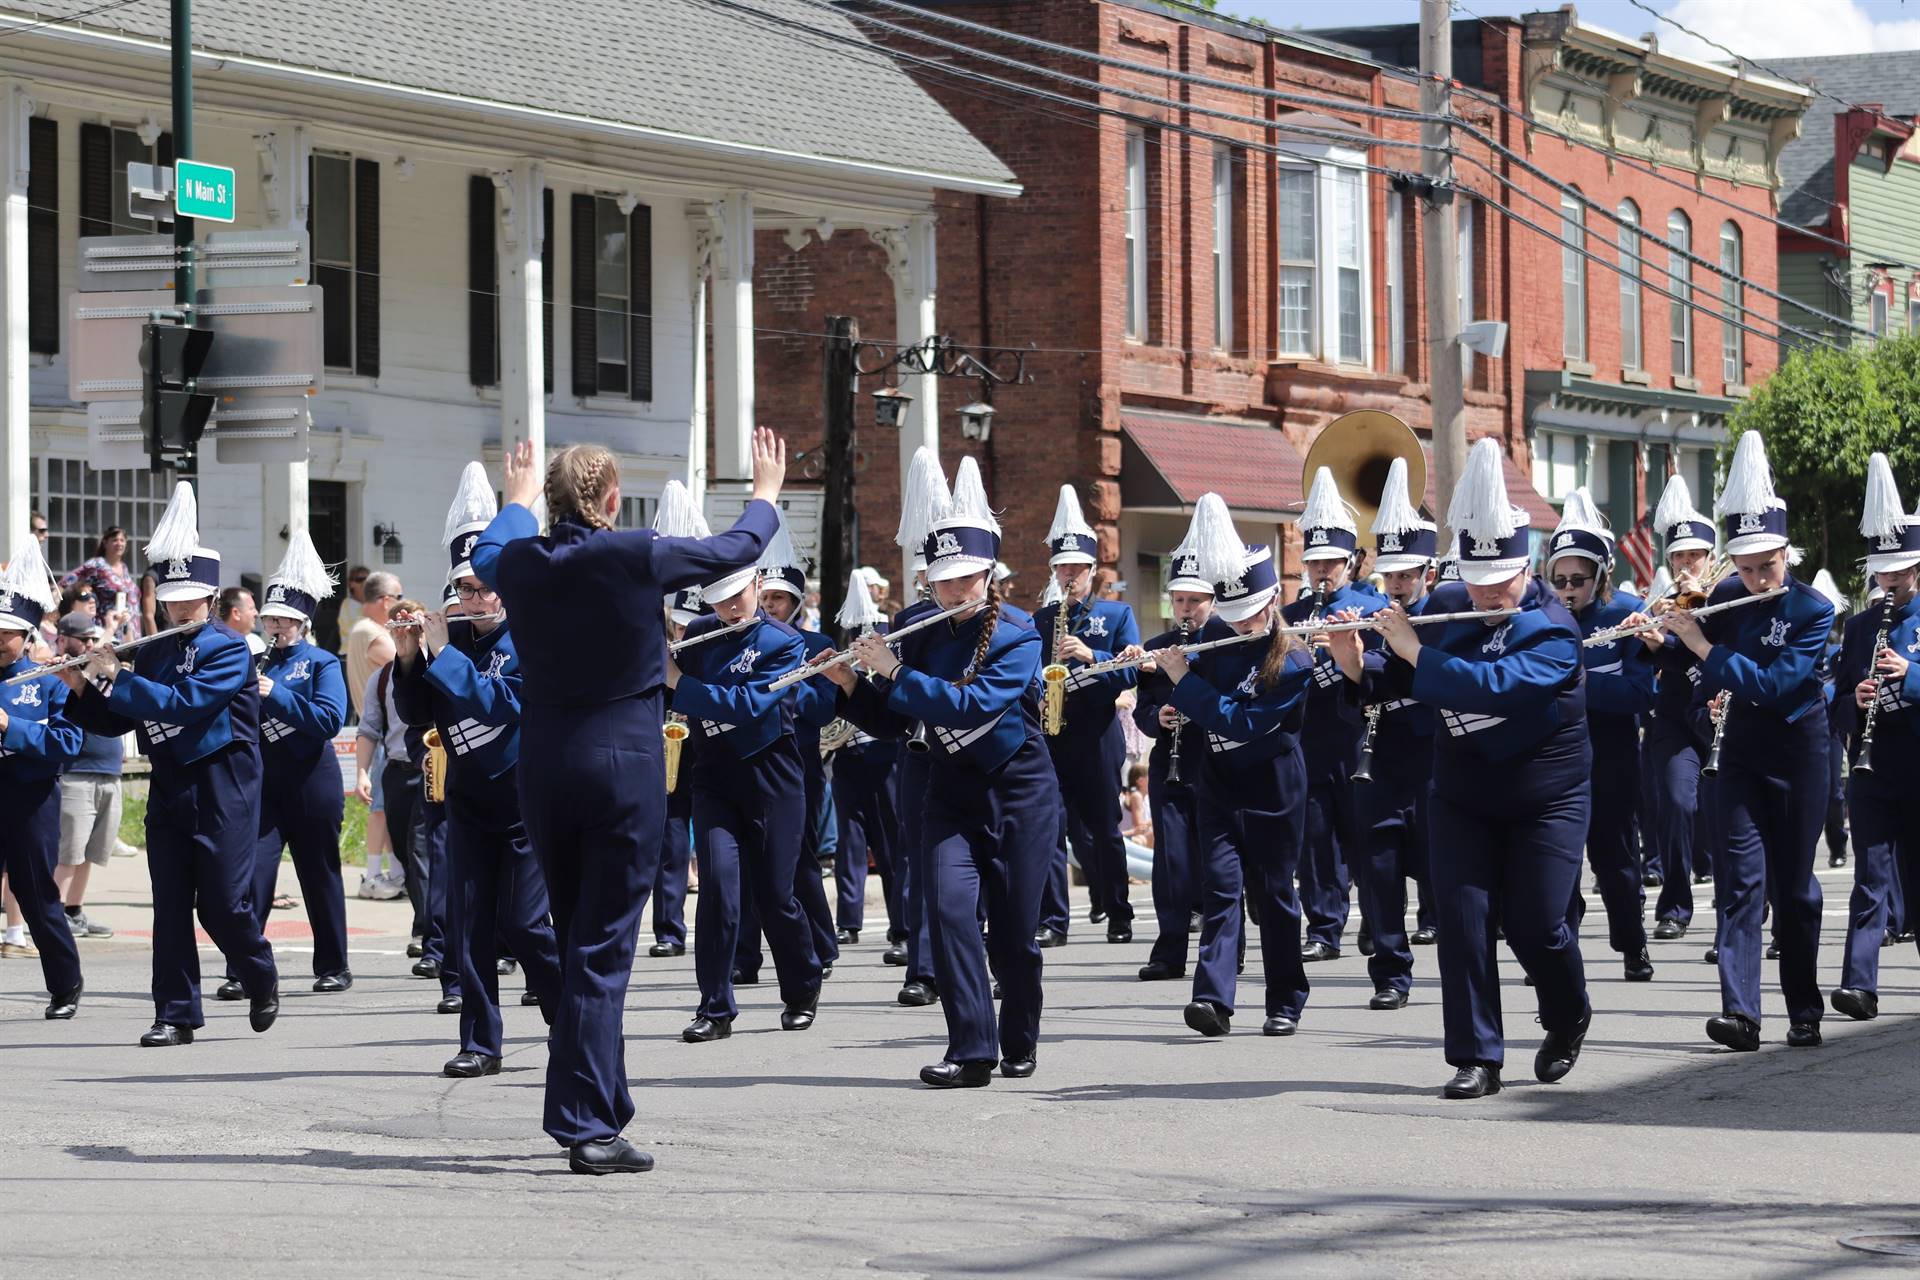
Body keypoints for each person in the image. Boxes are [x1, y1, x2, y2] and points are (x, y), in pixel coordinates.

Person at [469, 432, 785, 1175]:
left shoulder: (520, 560)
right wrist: (767, 488)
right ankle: (582, 1122)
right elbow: (736, 547)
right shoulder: (635, 550)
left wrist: (514, 501)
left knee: (582, 936)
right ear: (613, 500)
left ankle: (601, 1108)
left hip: (545, 765)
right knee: (602, 949)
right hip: (622, 765)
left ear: (551, 501)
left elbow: (484, 557)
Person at [1340, 438, 1593, 1100]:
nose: (1484, 594)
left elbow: (1499, 688)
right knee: (1463, 918)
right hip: (1463, 794)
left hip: (1547, 796)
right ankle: (1476, 1055)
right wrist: (1349, 649)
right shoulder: (1447, 607)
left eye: (1499, 581)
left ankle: (1568, 1011)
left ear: (1526, 566)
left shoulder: (1553, 628)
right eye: (1474, 581)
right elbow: (1385, 677)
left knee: (1539, 923)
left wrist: (1413, 653)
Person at [824, 450, 1051, 1087]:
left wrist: (894, 671)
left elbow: (971, 704)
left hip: (1019, 792)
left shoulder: (1018, 633)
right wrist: (849, 684)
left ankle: (1020, 1034)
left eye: (967, 579)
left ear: (989, 574)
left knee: (1013, 937)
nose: (955, 591)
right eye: (944, 580)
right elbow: (899, 722)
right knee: (950, 915)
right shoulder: (917, 631)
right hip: (949, 792)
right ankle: (972, 1049)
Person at [59, 482, 280, 1046]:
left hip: (224, 785)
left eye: (191, 599)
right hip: (172, 787)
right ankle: (176, 1013)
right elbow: (118, 720)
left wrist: (119, 678)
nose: (180, 608)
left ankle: (258, 969)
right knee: (172, 904)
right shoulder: (153, 651)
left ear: (209, 600)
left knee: (224, 907)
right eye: (171, 598)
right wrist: (83, 685)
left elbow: (186, 706)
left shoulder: (231, 648)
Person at [1633, 432, 1831, 1052]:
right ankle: (1741, 1012)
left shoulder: (1813, 610)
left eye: (1765, 565)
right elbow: (1690, 672)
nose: (1753, 578)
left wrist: (1703, 649)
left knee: (1794, 888)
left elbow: (1776, 684)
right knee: (1740, 883)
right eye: (1744, 568)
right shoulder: (1721, 598)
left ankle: (1803, 1004)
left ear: (1786, 554)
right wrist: (1663, 643)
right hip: (1741, 750)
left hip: (1800, 752)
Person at [393, 466, 562, 1082]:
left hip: (524, 800)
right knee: (468, 926)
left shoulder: (531, 640)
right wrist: (410, 660)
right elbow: (417, 715)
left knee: (521, 923)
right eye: (461, 590)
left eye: (481, 589)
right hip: (466, 799)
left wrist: (439, 655)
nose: (469, 600)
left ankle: (565, 1010)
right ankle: (480, 1042)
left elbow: (503, 705)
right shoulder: (450, 641)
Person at [1144, 497, 1316, 1040]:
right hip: (1217, 783)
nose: (1240, 624)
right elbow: (1181, 683)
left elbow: (1240, 722)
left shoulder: (1294, 661)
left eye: (1250, 615)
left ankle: (1286, 997)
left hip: (1272, 786)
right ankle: (1212, 999)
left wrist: (1184, 683)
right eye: (1232, 613)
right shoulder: (1214, 639)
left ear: (1271, 605)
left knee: (1274, 896)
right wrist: (1152, 667)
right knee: (1220, 892)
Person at [662, 497, 822, 1043]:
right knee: (720, 894)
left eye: (738, 596)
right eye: (720, 599)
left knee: (777, 896)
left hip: (773, 779)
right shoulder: (700, 634)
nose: (730, 608)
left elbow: (747, 706)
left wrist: (676, 681)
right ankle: (715, 1006)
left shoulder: (785, 642)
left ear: (756, 585)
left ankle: (801, 984)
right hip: (715, 778)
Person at [217, 531, 350, 999]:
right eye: (270, 617)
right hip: (265, 787)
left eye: (284, 619)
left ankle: (333, 964)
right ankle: (244, 967)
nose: (275, 626)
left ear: (303, 623)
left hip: (313, 782)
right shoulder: (254, 662)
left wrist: (278, 695)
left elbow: (329, 720)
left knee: (319, 875)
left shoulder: (321, 663)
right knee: (253, 877)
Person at [1336, 457, 1442, 1010]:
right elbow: (1358, 689)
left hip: (1432, 757)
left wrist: (1375, 662)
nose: (1397, 586)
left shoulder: (1448, 618)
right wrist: (1348, 657)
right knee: (1378, 873)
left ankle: (1462, 964)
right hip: (1377, 757)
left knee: (1441, 872)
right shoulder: (1373, 616)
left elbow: (1424, 673)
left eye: (1407, 575)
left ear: (1429, 574)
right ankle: (1391, 974)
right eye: (1391, 576)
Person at [1546, 490, 1655, 984]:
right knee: (1555, 862)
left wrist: (1578, 679)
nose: (1568, 589)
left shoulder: (1626, 616)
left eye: (1578, 580)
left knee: (1615, 862)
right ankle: (1556, 946)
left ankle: (1632, 944)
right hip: (1552, 760)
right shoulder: (1542, 620)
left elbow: (1638, 694)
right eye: (1559, 579)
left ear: (1601, 577)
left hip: (1610, 759)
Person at [1828, 455, 1919, 1022]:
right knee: (1870, 876)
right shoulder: (1861, 626)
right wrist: (1854, 700)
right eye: (1881, 573)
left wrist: (1910, 675)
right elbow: (1834, 702)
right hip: (1874, 767)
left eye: (1899, 573)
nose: (1887, 583)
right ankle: (1859, 984)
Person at [1282, 467, 1386, 963]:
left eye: (1331, 562)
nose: (1322, 571)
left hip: (1356, 736)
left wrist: (1344, 654)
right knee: (1316, 840)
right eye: (1314, 562)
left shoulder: (1371, 604)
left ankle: (1377, 919)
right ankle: (1324, 927)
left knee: (1363, 834)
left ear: (1349, 562)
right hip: (1309, 738)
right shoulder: (1291, 613)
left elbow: (1380, 669)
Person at [1032, 484, 1142, 945]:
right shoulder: (1040, 620)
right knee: (1051, 829)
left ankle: (1117, 910)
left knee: (1102, 830)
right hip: (1051, 734)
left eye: (1078, 568)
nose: (1070, 576)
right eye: (1063, 568)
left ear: (1094, 571)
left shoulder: (1117, 615)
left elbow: (1132, 673)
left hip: (1097, 735)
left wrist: (1093, 655)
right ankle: (1055, 920)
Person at [733, 512, 840, 977]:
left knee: (798, 861)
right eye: (768, 597)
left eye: (781, 599)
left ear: (796, 602)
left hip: (799, 763)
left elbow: (821, 709)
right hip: (748, 762)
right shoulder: (743, 641)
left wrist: (788, 684)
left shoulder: (817, 642)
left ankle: (820, 945)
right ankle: (745, 957)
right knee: (741, 865)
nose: (772, 605)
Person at [0, 535, 86, 1018]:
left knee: (36, 894)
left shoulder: (48, 683)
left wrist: (12, 727)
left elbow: (67, 744)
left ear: (26, 635)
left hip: (30, 796)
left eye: (6, 632)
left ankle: (65, 983)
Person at [1638, 475, 1720, 941]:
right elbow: (1650, 661)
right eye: (1679, 557)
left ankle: (1743, 904)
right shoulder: (1660, 602)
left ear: (1711, 558)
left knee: (1730, 811)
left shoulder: (1731, 598)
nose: (1687, 564)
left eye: (1695, 556)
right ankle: (1674, 905)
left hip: (1721, 715)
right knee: (1674, 802)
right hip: (1673, 716)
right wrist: (1650, 642)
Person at [1130, 552, 1214, 983]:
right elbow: (1142, 712)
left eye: (1194, 601)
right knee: (1171, 861)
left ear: (1212, 602)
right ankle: (1169, 951)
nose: (1185, 609)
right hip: (1170, 764)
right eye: (1179, 600)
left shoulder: (1224, 644)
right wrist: (1157, 718)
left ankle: (1221, 950)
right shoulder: (1154, 649)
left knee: (1217, 862)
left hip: (1215, 763)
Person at [825, 569, 903, 955]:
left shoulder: (887, 671)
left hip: (885, 760)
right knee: (849, 845)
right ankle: (848, 922)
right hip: (848, 760)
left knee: (890, 845)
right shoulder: (845, 670)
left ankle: (901, 922)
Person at [52, 611, 120, 941]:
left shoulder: (102, 669)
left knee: (91, 853)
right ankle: (52, 916)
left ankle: (73, 912)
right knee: (69, 853)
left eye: (95, 639)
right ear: (64, 639)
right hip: (76, 773)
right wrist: (89, 665)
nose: (92, 645)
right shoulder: (58, 673)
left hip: (109, 770)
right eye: (85, 640)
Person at [649, 586, 704, 959]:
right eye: (680, 628)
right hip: (672, 759)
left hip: (713, 757)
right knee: (671, 845)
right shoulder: (661, 659)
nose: (684, 637)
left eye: (691, 629)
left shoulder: (712, 657)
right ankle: (669, 929)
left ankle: (731, 938)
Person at [62, 526, 142, 641]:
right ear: (105, 543)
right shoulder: (97, 565)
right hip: (108, 629)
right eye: (114, 540)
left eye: (122, 540)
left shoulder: (124, 568)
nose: (119, 543)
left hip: (130, 630)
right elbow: (67, 582)